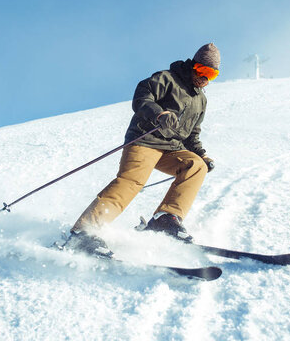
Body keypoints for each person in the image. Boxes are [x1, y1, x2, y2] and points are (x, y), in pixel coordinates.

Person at [62, 43, 221, 257]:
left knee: (196, 166)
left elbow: (192, 134)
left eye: (212, 74)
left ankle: (166, 218)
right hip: (145, 140)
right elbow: (142, 97)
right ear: (194, 66)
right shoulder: (167, 78)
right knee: (131, 182)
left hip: (171, 148)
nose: (206, 78)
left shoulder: (200, 100)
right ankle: (85, 231)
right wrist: (159, 114)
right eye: (203, 71)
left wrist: (202, 155)